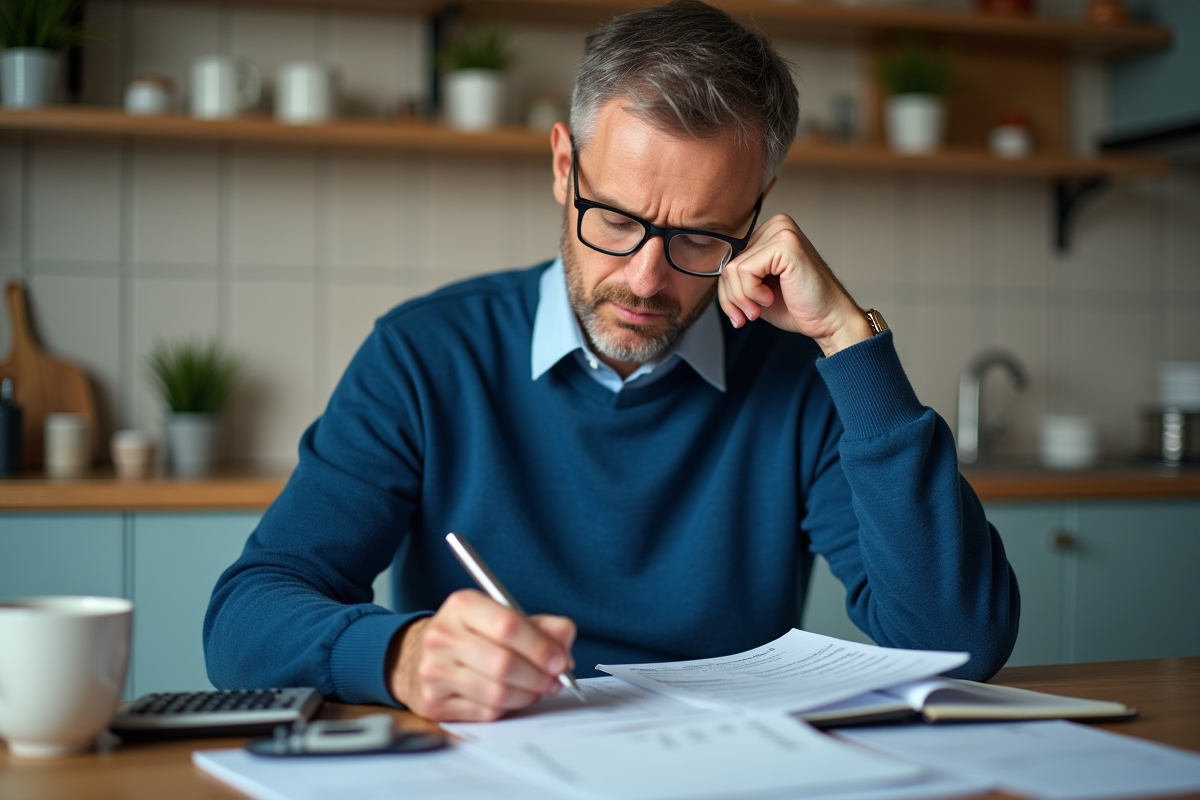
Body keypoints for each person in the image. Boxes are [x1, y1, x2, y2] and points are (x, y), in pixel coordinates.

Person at [204, 0, 1019, 723]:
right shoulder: (423, 354)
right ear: (564, 168)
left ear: (758, 217)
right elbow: (245, 620)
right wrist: (402, 657)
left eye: (702, 236)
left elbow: (955, 645)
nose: (645, 277)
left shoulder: (804, 381)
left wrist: (849, 340)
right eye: (618, 221)